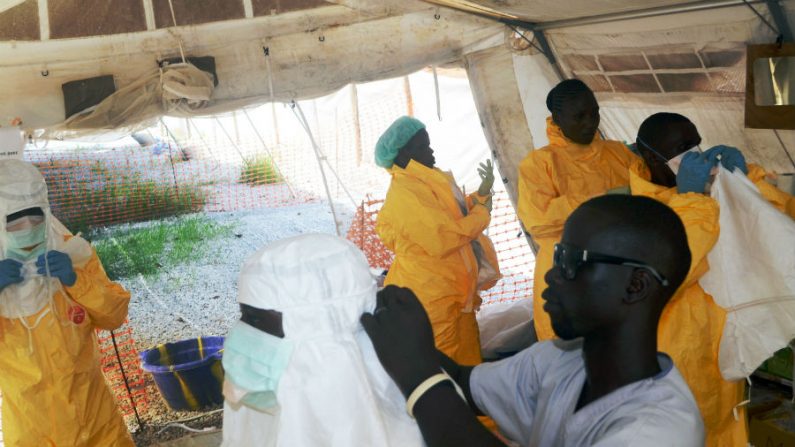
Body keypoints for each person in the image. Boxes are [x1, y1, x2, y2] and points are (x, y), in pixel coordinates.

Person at [361, 195, 704, 447]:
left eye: (571, 261)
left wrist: (420, 376)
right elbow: (466, 382)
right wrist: (403, 337)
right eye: (556, 256)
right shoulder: (560, 360)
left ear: (635, 285)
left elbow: (438, 386)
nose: (552, 276)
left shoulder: (660, 431)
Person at [630, 112, 795, 446]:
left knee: (723, 427)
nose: (695, 154)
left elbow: (775, 230)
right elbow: (672, 270)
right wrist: (692, 201)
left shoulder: (709, 192)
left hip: (718, 346)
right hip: (673, 353)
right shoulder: (633, 211)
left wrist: (749, 181)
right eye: (682, 147)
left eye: (696, 143)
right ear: (650, 155)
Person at [221, 233, 424, 446]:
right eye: (243, 316)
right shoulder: (263, 400)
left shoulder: (413, 427)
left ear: (315, 325)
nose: (240, 332)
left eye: (253, 319)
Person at [0, 159, 132, 446]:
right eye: (14, 221)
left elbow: (114, 315)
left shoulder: (74, 252)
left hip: (97, 422)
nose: (28, 228)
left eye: (35, 217)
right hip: (33, 431)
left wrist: (76, 280)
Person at [517, 79, 639, 342]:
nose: (590, 122)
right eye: (579, 116)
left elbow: (649, 195)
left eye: (594, 112)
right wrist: (601, 200)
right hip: (567, 272)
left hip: (618, 268)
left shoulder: (618, 153)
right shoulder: (540, 163)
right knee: (569, 358)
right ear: (557, 119)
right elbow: (538, 220)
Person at [375, 116, 500, 365]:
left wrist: (480, 196)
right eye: (422, 147)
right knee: (444, 366)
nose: (430, 151)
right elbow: (443, 238)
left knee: (469, 361)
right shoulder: (405, 195)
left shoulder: (430, 180)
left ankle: (469, 402)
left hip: (454, 292)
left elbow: (454, 215)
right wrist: (482, 212)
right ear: (401, 156)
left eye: (429, 144)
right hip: (431, 298)